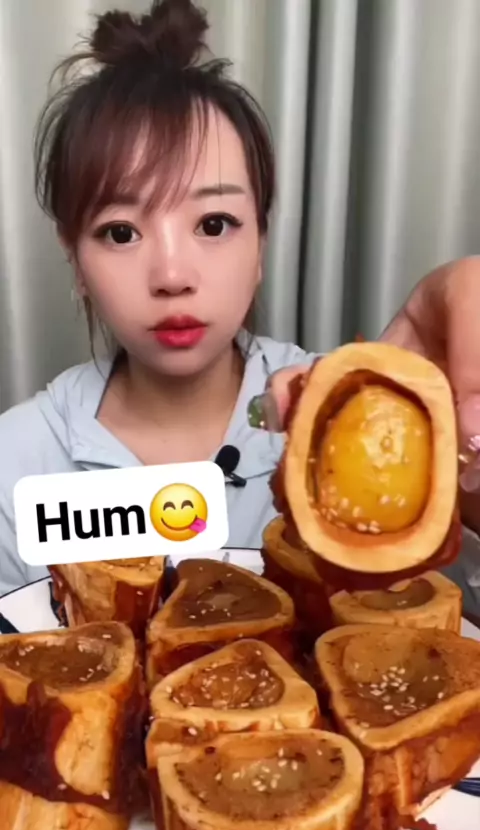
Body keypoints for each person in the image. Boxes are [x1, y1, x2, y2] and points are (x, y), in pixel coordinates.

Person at [0, 0, 478, 612]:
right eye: (120, 232)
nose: (172, 276)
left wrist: (462, 467)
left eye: (214, 223)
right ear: (75, 259)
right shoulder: (18, 458)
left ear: (260, 244)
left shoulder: (351, 419)